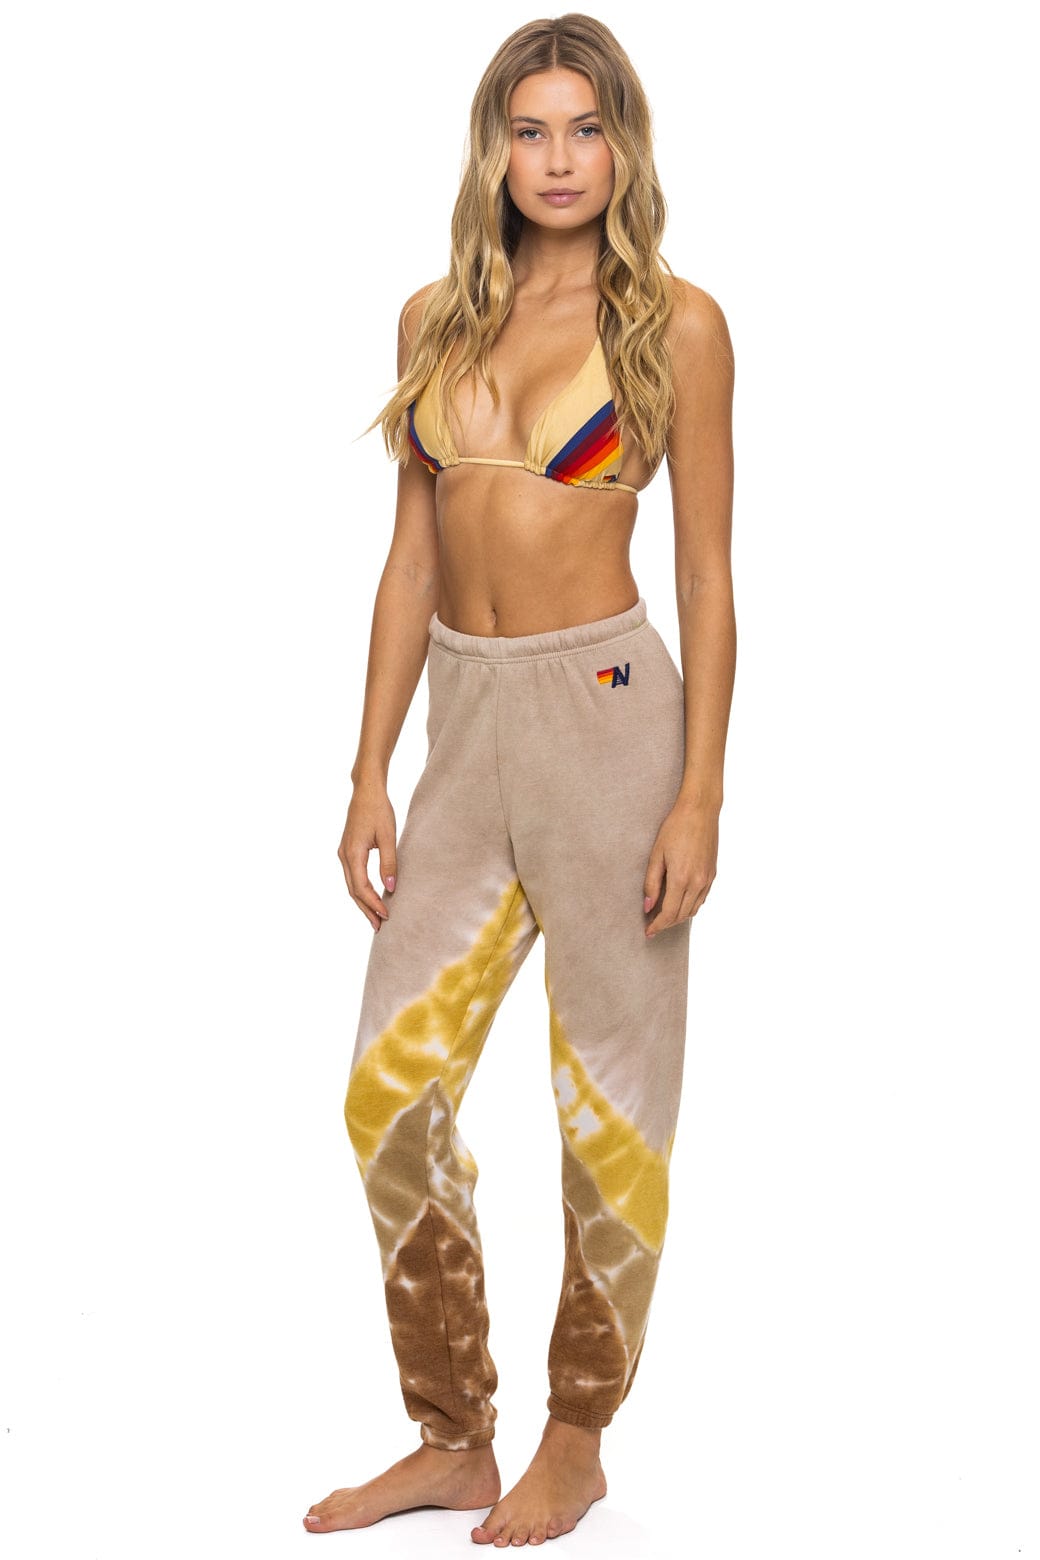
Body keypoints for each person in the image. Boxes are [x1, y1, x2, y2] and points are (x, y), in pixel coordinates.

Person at [305, 12, 735, 1546]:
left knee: (607, 1107)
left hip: (611, 723)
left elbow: (707, 573)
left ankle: (578, 1436)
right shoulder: (434, 317)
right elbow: (410, 560)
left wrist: (701, 793)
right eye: (532, 130)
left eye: (586, 130)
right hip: (463, 733)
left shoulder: (675, 324)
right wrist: (369, 770)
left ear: (625, 147)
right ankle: (452, 1434)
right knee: (388, 1090)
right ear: (495, 150)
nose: (559, 160)